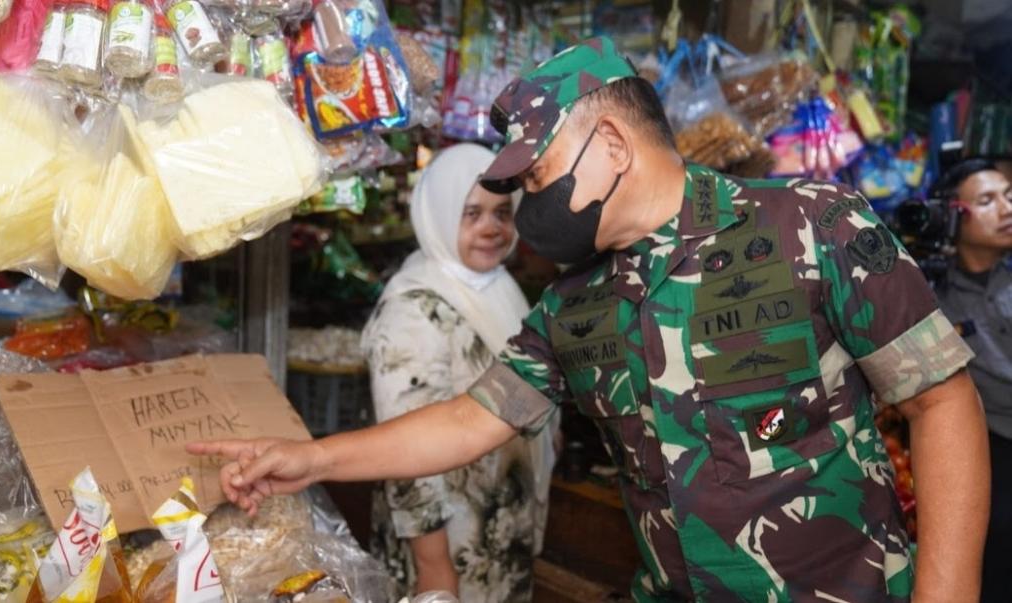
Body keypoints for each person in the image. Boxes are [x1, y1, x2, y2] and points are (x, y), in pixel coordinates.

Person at [190, 37, 990, 602]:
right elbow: (472, 419)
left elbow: (942, 400)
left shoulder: (810, 224)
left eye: (536, 175)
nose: (528, 207)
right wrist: (310, 458)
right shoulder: (574, 303)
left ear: (609, 143)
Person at [359, 143, 555, 602]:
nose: (491, 229)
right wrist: (434, 569)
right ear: (440, 216)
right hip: (448, 550)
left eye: (502, 213)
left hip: (496, 538)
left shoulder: (497, 287)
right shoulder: (413, 311)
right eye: (471, 214)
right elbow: (406, 456)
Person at [930, 159, 1012, 603]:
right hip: (993, 447)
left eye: (1009, 195)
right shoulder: (933, 295)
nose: (1006, 208)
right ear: (953, 215)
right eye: (987, 200)